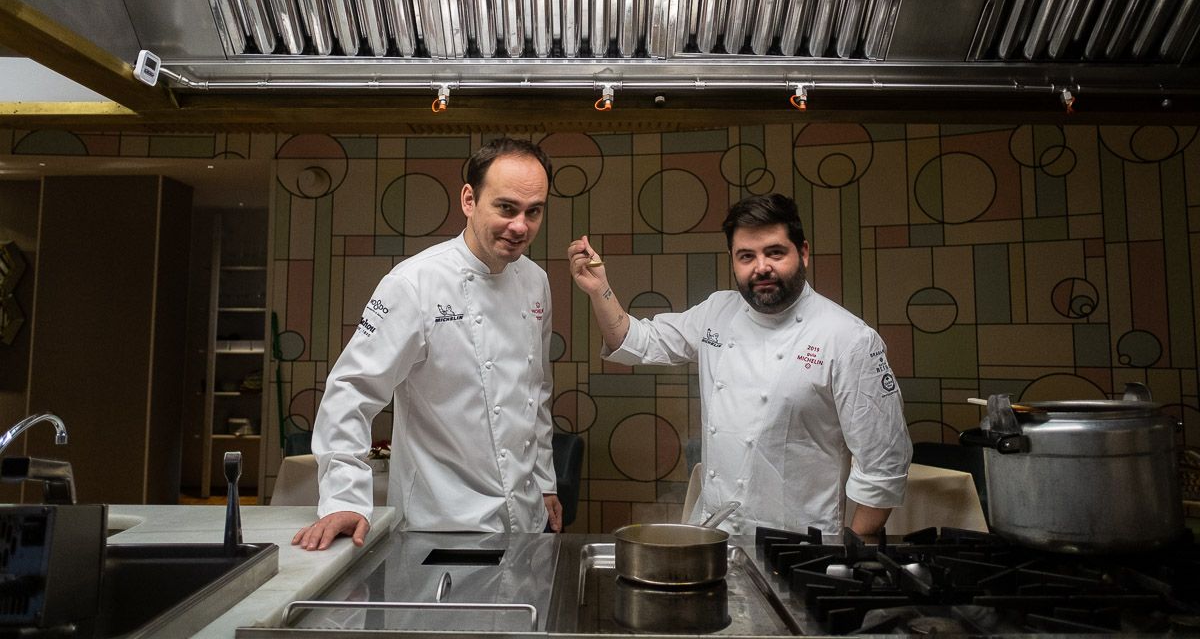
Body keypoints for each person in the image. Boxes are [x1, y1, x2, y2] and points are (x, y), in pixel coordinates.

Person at [568, 193, 910, 537]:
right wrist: (600, 290)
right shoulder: (717, 312)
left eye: (775, 252)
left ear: (803, 252)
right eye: (746, 256)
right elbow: (638, 341)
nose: (761, 267)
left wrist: (846, 558)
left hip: (801, 545)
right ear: (732, 260)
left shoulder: (849, 339)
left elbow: (883, 467)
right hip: (716, 535)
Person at [294, 137, 562, 550]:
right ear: (469, 200)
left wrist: (544, 481)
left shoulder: (536, 281)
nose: (520, 226)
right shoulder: (413, 283)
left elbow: (536, 391)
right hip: (441, 526)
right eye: (506, 208)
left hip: (527, 523)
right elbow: (352, 391)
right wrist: (344, 499)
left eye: (534, 211)